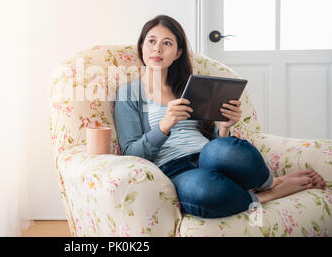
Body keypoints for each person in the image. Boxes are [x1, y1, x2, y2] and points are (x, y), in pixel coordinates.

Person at [114, 14, 326, 218]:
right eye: (151, 41)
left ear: (178, 53)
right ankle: (269, 194)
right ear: (141, 46)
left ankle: (269, 183)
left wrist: (224, 127)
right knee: (205, 192)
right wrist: (164, 125)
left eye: (167, 43)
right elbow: (132, 153)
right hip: (175, 170)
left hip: (209, 154)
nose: (157, 48)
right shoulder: (128, 94)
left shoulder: (190, 87)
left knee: (227, 147)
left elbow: (215, 142)